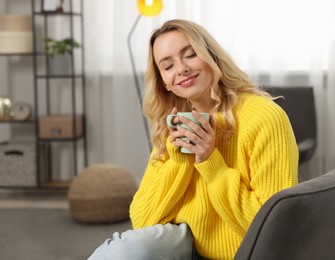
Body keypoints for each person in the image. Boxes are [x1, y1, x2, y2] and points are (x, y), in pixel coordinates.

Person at [89, 19, 298, 260]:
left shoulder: (264, 117)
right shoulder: (175, 126)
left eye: (190, 55)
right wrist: (180, 160)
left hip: (246, 251)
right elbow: (143, 221)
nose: (181, 69)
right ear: (164, 83)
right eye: (167, 66)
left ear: (212, 56)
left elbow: (275, 227)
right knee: (123, 250)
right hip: (187, 241)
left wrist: (211, 162)